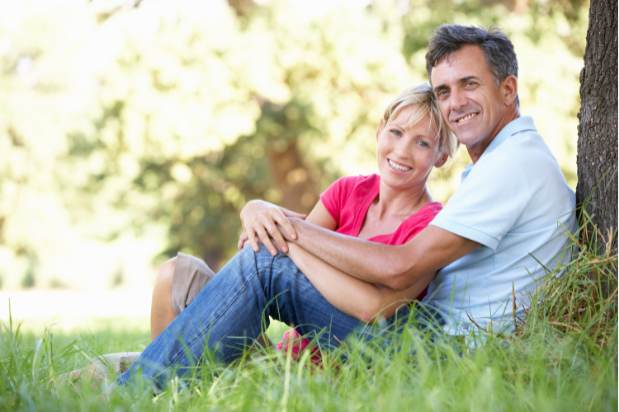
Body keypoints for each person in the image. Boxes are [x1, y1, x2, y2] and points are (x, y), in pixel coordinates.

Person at [118, 24, 576, 388]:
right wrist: (262, 211)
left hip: (433, 351)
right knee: (244, 264)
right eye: (444, 90)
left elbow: (399, 270)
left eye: (470, 84)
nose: (456, 102)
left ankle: (129, 393)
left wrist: (288, 232)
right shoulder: (504, 161)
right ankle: (147, 375)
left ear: (508, 88)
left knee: (266, 263)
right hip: (423, 336)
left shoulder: (514, 164)